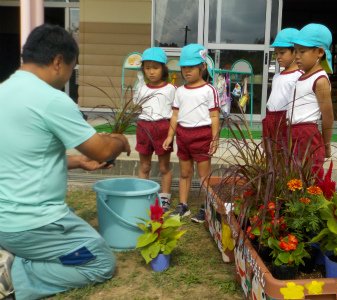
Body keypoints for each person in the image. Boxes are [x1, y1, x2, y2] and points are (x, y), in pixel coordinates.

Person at [0, 24, 131, 300]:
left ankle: (10, 252)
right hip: (31, 224)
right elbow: (101, 150)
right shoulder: (50, 99)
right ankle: (14, 275)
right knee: (98, 260)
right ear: (58, 61)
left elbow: (22, 156)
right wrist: (119, 140)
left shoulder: (4, 91)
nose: (69, 76)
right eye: (72, 68)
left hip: (4, 222)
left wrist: (78, 163)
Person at [162, 44, 220, 223]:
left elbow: (214, 116)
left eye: (191, 67)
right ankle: (183, 205)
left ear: (202, 67)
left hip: (202, 137)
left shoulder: (209, 90)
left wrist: (215, 139)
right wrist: (170, 136)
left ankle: (206, 207)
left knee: (204, 176)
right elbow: (175, 115)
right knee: (185, 172)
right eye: (184, 67)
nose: (187, 71)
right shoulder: (179, 91)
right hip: (183, 136)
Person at [288, 23, 334, 175]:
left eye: (302, 51)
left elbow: (328, 116)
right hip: (292, 132)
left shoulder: (320, 80)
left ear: (320, 52)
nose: (297, 56)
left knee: (308, 177)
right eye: (295, 51)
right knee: (293, 177)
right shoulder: (302, 76)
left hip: (307, 135)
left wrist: (326, 144)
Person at [134, 47, 175, 212]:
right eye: (147, 67)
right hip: (144, 127)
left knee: (164, 166)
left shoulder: (171, 89)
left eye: (155, 67)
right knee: (144, 166)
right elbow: (137, 107)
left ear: (163, 68)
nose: (151, 72)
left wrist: (171, 135)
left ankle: (164, 198)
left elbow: (175, 114)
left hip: (163, 127)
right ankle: (143, 196)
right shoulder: (141, 88)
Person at [261, 28, 302, 150]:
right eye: (276, 53)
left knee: (284, 156)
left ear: (295, 52)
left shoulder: (299, 76)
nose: (278, 57)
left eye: (282, 53)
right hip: (270, 119)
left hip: (285, 120)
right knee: (270, 156)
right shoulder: (277, 76)